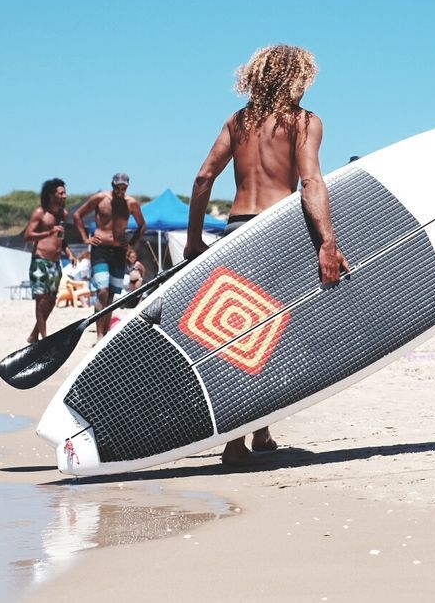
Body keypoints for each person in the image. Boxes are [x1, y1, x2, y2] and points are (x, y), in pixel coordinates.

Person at [183, 44, 349, 467]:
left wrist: (194, 240)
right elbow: (311, 182)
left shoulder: (238, 121)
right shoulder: (304, 121)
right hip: (277, 233)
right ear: (299, 76)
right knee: (274, 335)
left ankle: (259, 430)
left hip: (237, 231)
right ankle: (238, 440)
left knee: (242, 332)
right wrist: (328, 242)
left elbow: (203, 178)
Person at [73, 173, 146, 338]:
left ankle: (104, 333)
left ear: (127, 186)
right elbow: (78, 215)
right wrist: (85, 238)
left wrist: (131, 244)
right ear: (113, 185)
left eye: (124, 186)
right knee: (102, 291)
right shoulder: (100, 198)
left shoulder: (131, 203)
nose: (120, 189)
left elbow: (142, 225)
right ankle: (99, 335)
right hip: (100, 249)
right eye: (118, 186)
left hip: (119, 251)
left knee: (112, 294)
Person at [25, 178, 70, 344]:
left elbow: (61, 238)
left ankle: (33, 335)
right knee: (40, 299)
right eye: (61, 193)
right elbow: (28, 236)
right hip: (40, 260)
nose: (65, 196)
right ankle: (44, 338)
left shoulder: (63, 215)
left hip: (56, 262)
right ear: (52, 195)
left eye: (65, 192)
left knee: (51, 301)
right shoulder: (40, 213)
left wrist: (69, 253)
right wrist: (49, 232)